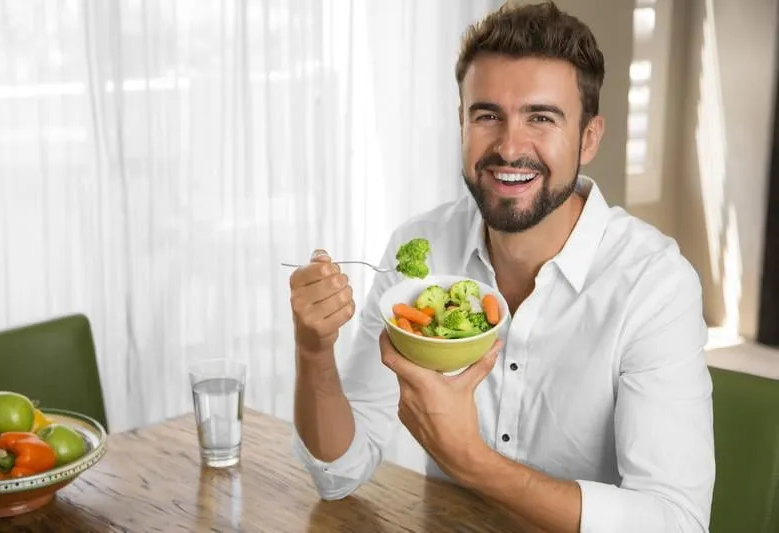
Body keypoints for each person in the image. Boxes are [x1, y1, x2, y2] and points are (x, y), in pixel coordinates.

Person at [287, 2, 715, 532]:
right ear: (462, 124)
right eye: (487, 115)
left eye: (541, 117)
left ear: (589, 137)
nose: (510, 147)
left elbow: (675, 522)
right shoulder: (419, 247)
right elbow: (338, 474)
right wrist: (313, 350)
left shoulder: (655, 284)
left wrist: (473, 462)